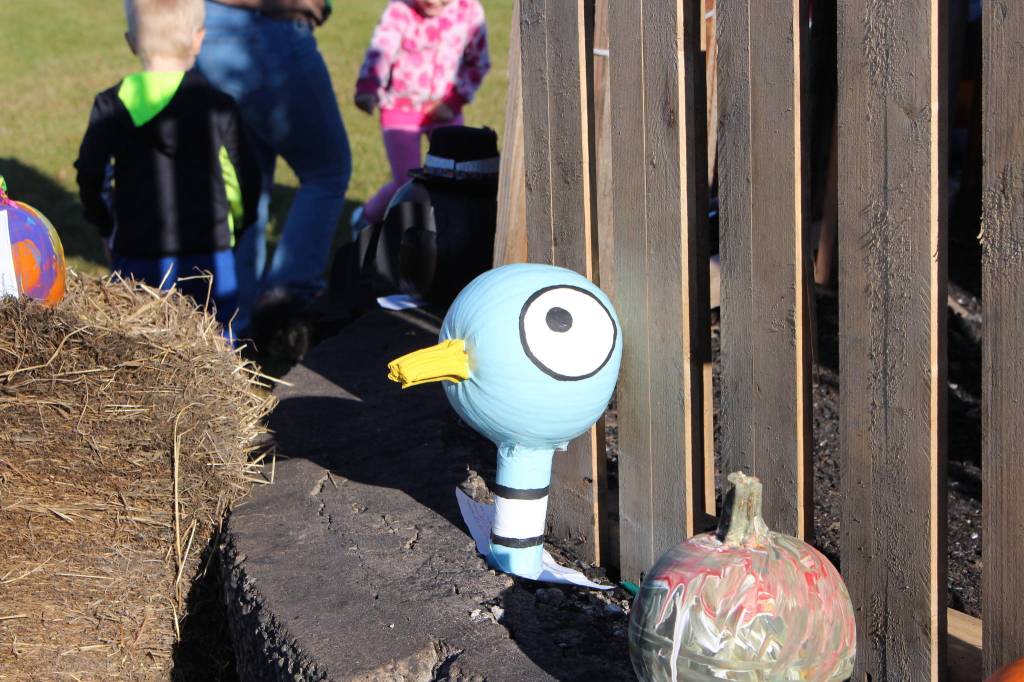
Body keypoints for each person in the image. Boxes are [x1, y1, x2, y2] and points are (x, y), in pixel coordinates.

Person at [76, 0, 260, 331]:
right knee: (216, 345)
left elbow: (91, 176)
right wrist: (237, 227)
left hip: (137, 255)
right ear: (198, 39)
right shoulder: (218, 108)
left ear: (131, 41)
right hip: (211, 258)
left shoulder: (111, 106)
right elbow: (244, 179)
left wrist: (106, 227)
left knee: (139, 344)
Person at [195, 0, 352, 337]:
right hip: (261, 30)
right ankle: (286, 303)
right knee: (327, 171)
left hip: (209, 33)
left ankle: (237, 318)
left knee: (248, 181)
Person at [352, 0, 490, 230]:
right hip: (400, 109)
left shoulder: (469, 11)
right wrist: (368, 86)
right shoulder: (400, 10)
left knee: (453, 178)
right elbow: (381, 49)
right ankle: (367, 219)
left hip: (445, 111)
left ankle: (447, 232)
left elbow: (478, 63)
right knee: (408, 184)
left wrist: (454, 101)